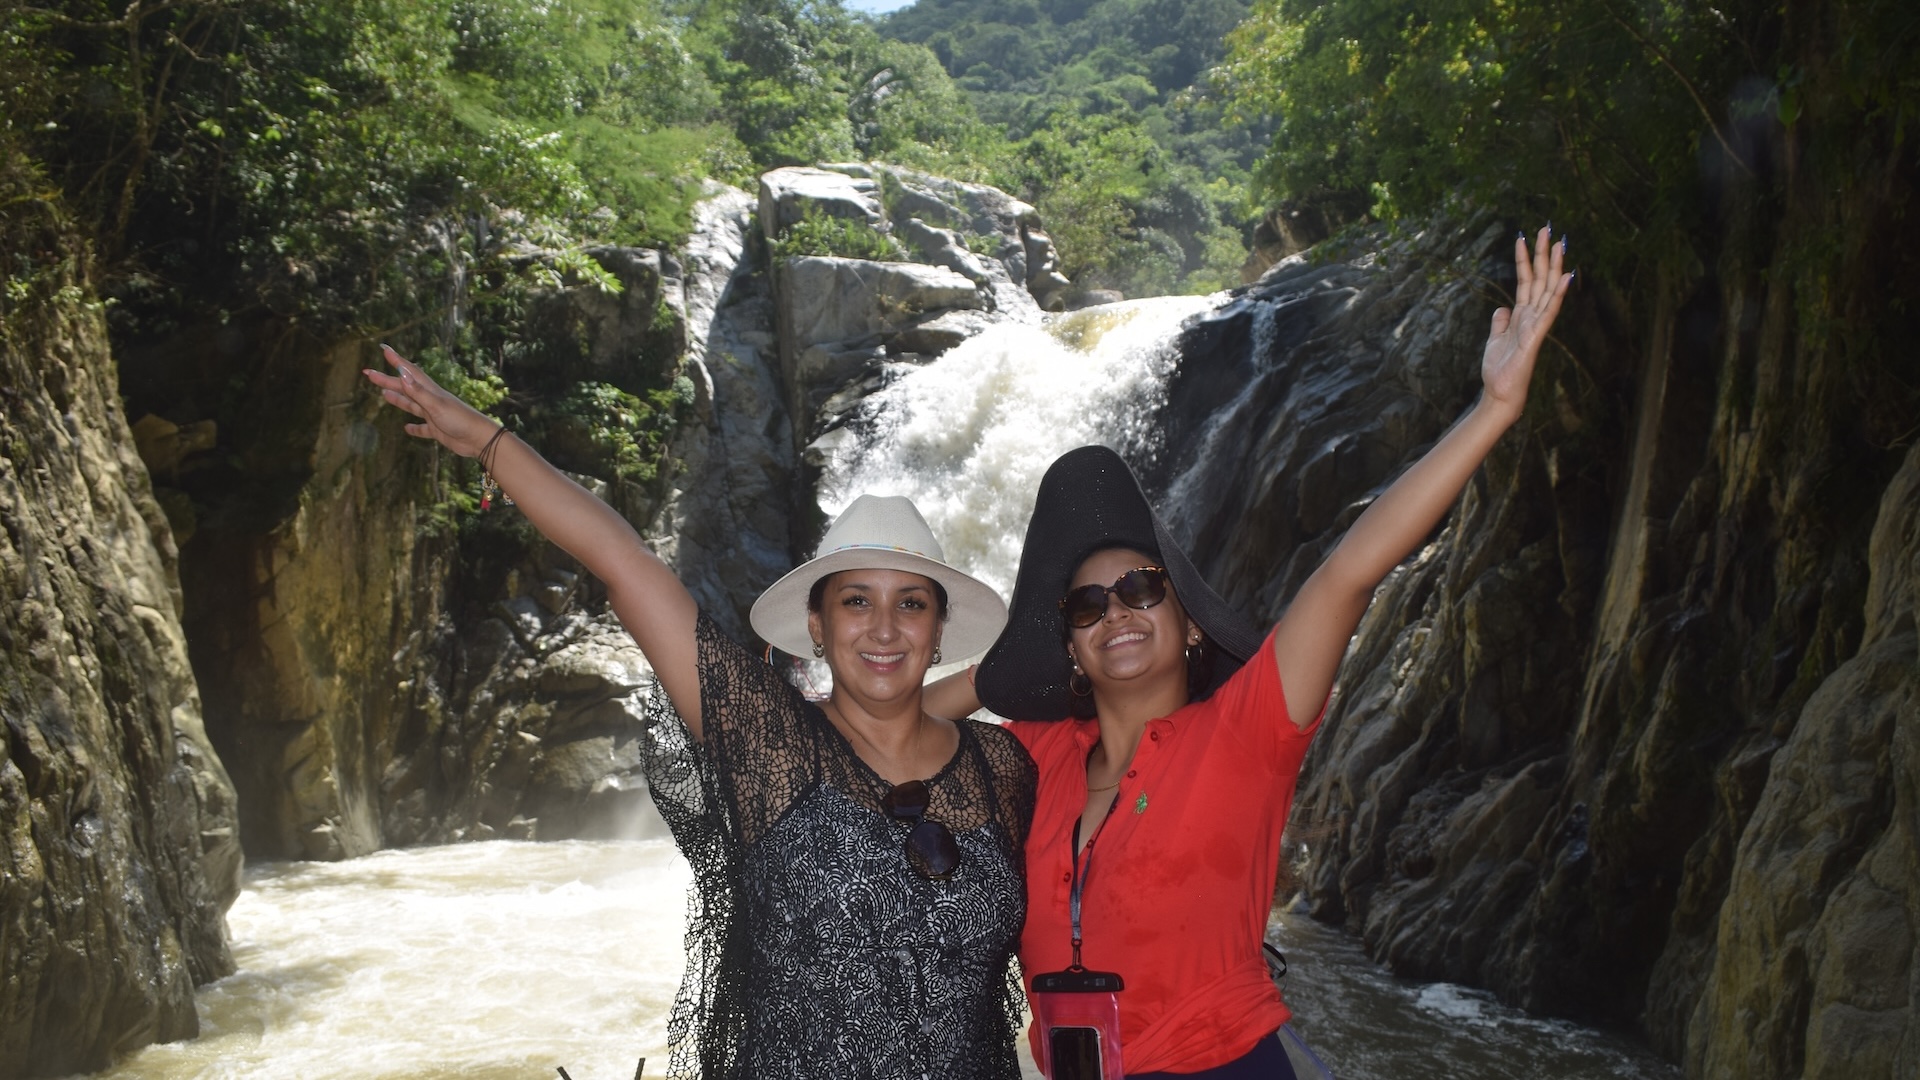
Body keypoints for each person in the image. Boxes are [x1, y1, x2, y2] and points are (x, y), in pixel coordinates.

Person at [966, 228, 1572, 1077]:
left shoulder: (1246, 730)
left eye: (1143, 589)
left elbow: (1350, 571)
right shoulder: (1031, 757)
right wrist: (996, 669)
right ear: (1070, 642)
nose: (1118, 614)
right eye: (1087, 606)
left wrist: (1494, 409)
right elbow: (883, 734)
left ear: (1188, 623)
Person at [364, 352, 1035, 1079]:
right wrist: (491, 442)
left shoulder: (1003, 767)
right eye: (855, 600)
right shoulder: (768, 744)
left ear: (937, 630)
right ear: (817, 625)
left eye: (911, 602)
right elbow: (622, 562)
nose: (883, 628)